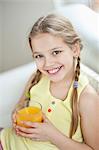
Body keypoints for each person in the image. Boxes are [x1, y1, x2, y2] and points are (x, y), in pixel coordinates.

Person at [0, 13, 99, 150]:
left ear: (75, 49)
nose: (48, 63)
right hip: (4, 140)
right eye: (39, 56)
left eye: (56, 52)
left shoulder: (87, 98)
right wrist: (17, 114)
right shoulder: (37, 78)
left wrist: (51, 135)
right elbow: (20, 105)